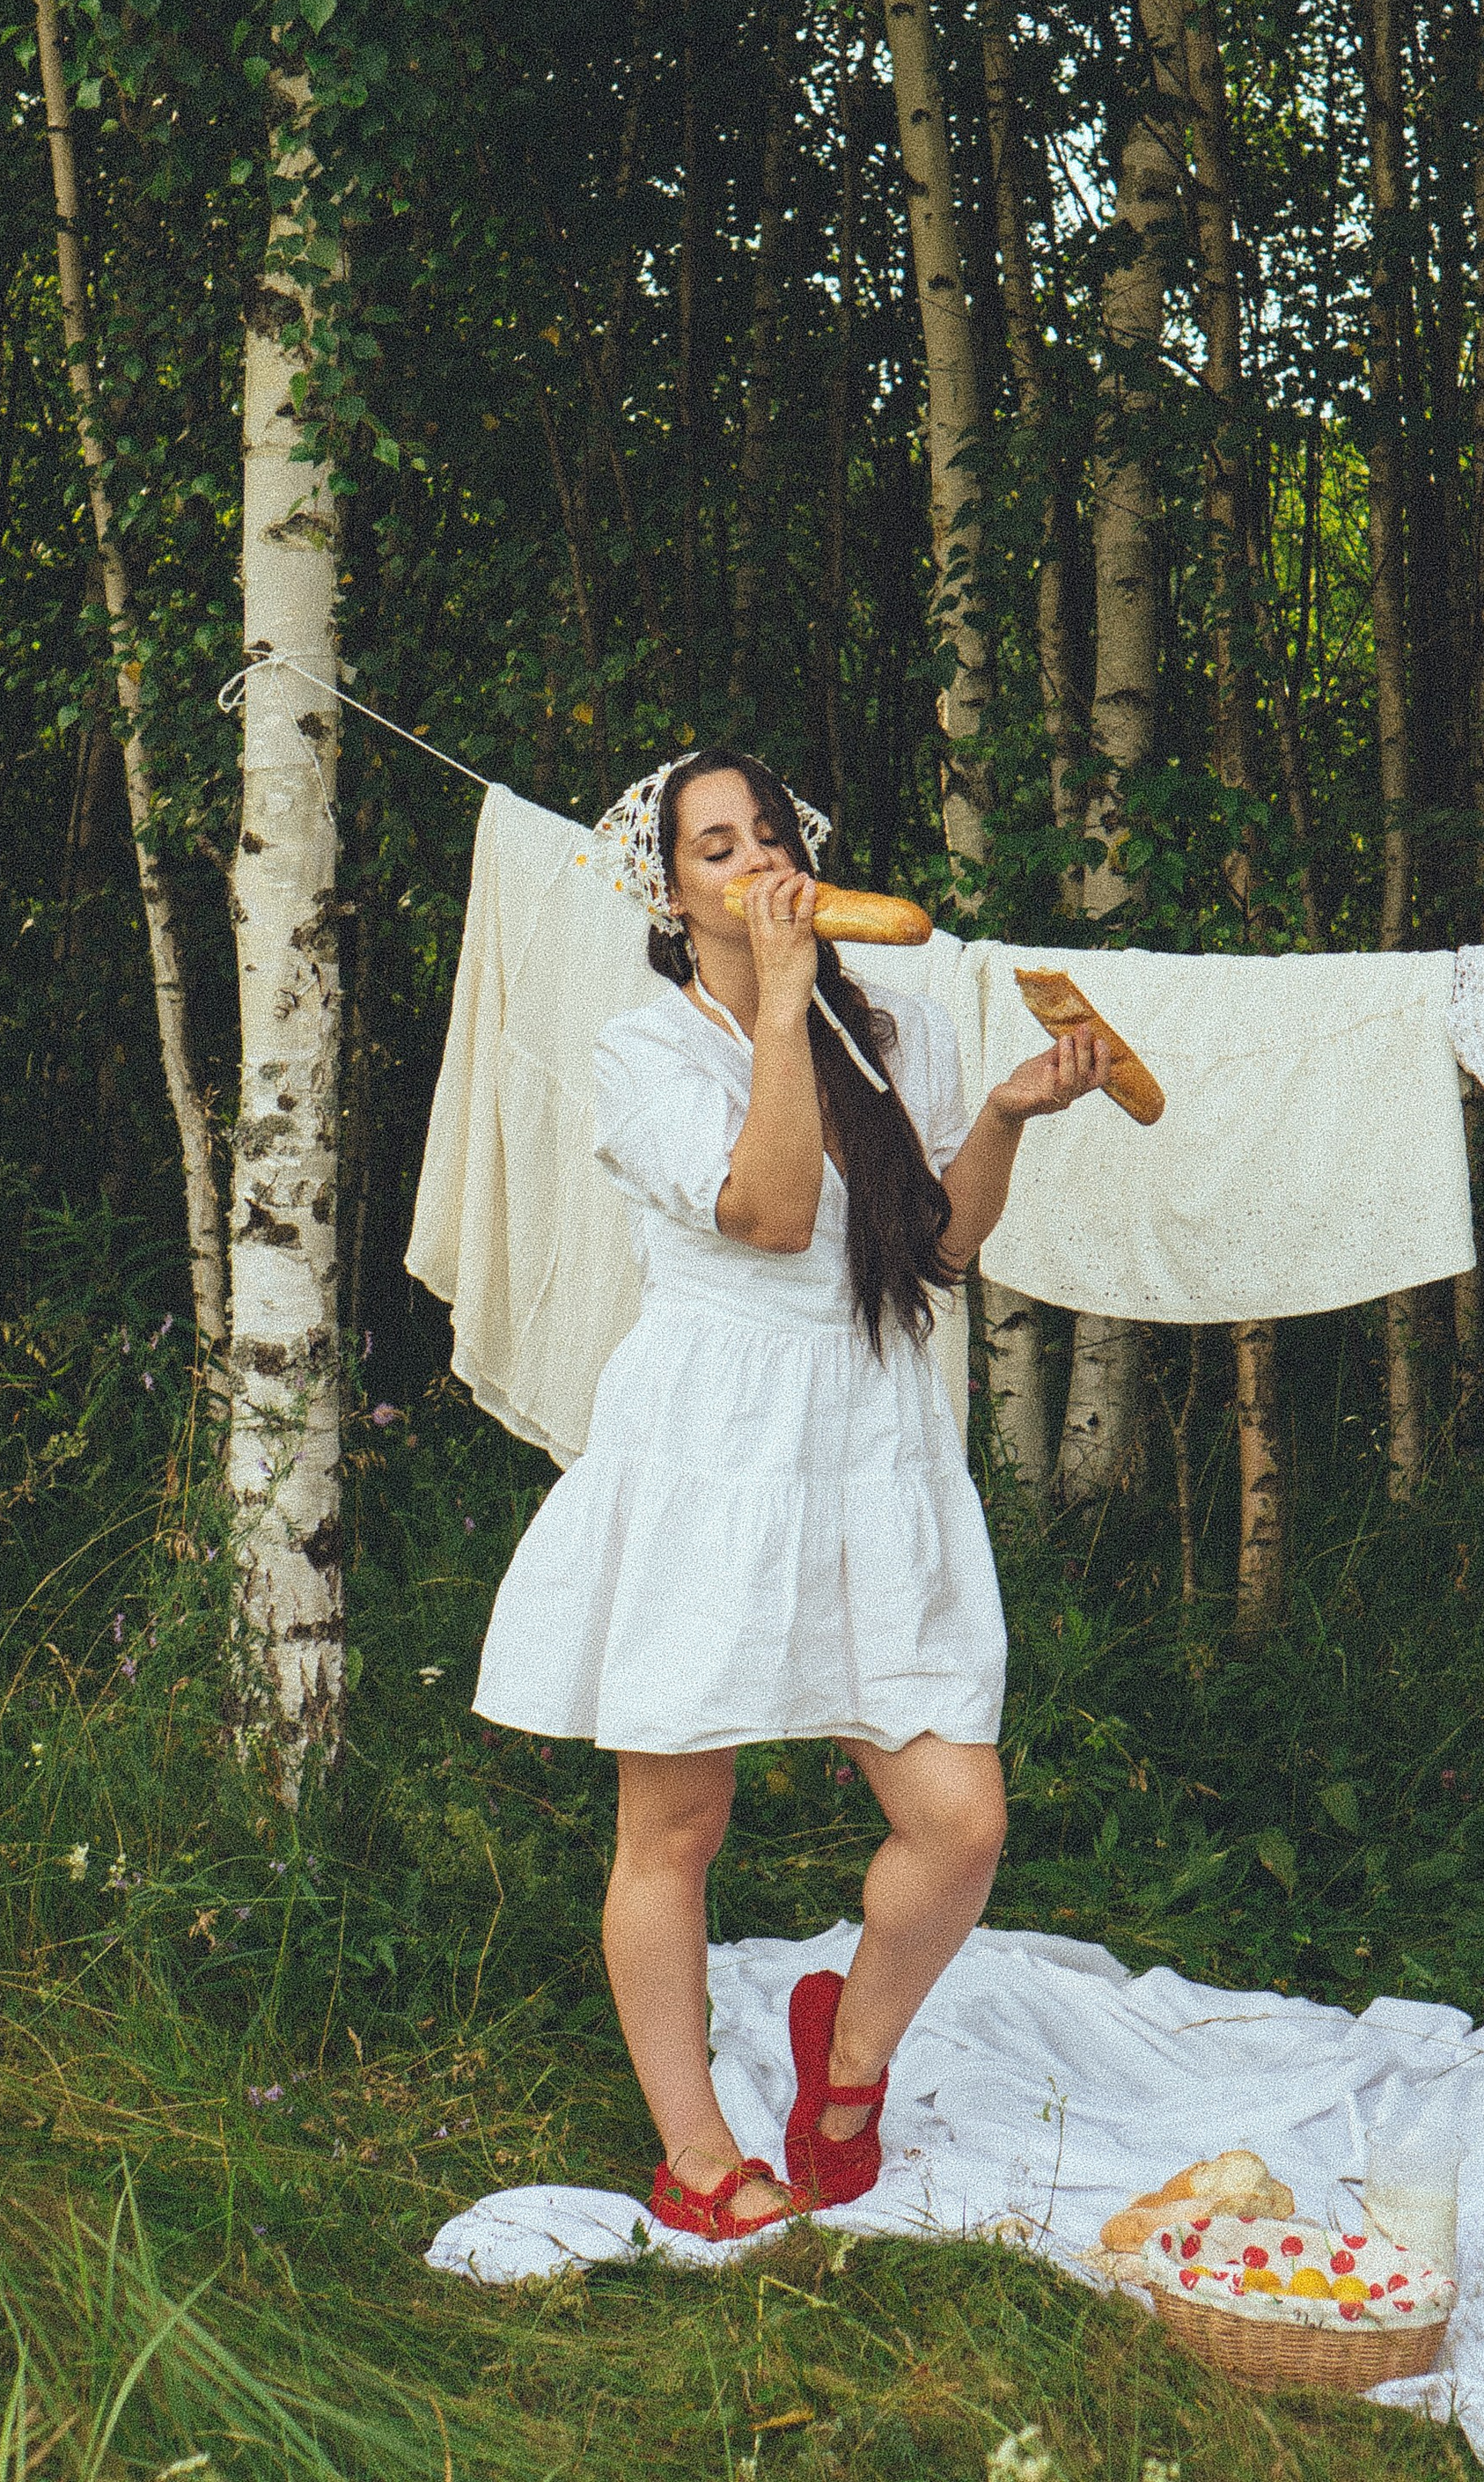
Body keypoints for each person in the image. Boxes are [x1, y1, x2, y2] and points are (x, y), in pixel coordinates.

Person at [470, 745, 1107, 2236]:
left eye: (770, 835)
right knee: (677, 1827)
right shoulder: (647, 1051)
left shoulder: (894, 1029)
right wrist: (776, 1003)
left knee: (959, 1820)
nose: (757, 865)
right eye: (716, 849)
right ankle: (695, 2154)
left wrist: (1003, 1113)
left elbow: (939, 1249)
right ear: (671, 892)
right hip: (716, 1451)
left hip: (875, 1442)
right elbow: (767, 1211)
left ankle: (850, 2059)